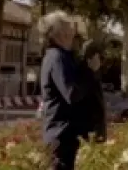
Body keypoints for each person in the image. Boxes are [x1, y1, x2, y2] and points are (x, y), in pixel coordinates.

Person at [40, 11, 89, 170]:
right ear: (59, 32)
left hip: (62, 134)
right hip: (60, 135)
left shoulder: (61, 56)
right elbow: (72, 94)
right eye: (67, 24)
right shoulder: (57, 58)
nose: (72, 28)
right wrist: (89, 72)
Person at [75, 40, 107, 143]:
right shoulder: (85, 74)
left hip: (93, 133)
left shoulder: (93, 74)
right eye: (100, 58)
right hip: (89, 132)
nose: (101, 63)